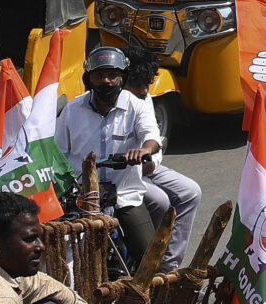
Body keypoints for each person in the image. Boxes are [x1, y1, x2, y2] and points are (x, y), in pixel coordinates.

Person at [56, 47, 162, 264]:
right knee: (57, 255)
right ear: (89, 78)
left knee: (151, 261)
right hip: (81, 199)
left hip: (125, 195)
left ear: (122, 77)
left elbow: (151, 137)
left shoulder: (137, 106)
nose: (106, 81)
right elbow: (57, 155)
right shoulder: (72, 109)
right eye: (99, 75)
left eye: (112, 75)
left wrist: (144, 150)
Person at [124, 55, 201, 272]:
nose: (143, 91)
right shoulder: (109, 104)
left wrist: (150, 160)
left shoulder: (144, 100)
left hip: (147, 168)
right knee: (160, 200)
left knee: (190, 192)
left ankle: (168, 266)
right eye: (136, 85)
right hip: (122, 175)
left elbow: (154, 139)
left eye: (146, 85)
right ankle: (151, 264)